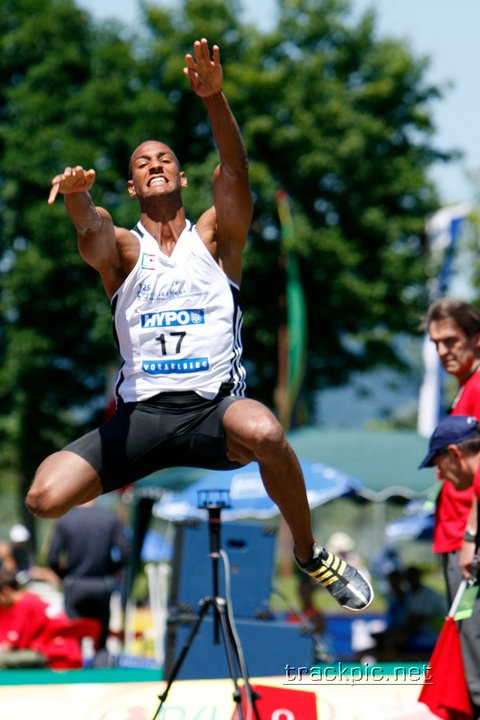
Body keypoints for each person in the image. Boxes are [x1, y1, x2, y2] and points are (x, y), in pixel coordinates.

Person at [25, 38, 372, 613]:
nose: (154, 164)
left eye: (164, 158)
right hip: (141, 417)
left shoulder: (215, 239)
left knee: (264, 430)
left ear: (182, 178)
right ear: (133, 187)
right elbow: (92, 231)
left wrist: (215, 99)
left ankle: (311, 554)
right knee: (42, 497)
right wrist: (79, 200)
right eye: (141, 163)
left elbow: (235, 169)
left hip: (212, 409)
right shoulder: (125, 251)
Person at [422, 298, 480, 715]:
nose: (444, 350)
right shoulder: (465, 387)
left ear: (476, 340)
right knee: (464, 648)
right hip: (455, 537)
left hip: (468, 541)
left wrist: (471, 536)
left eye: (452, 340)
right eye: (436, 343)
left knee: (474, 652)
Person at [47, 500, 129, 654]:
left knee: (73, 639)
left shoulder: (66, 520)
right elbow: (125, 553)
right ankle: (101, 669)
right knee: (101, 639)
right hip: (101, 583)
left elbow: (52, 557)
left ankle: (75, 671)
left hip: (75, 583)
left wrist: (65, 576)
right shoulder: (110, 518)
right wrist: (109, 571)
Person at [0, 569, 83, 669]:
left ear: (6, 591)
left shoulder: (24, 603)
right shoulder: (29, 598)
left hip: (56, 656)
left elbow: (9, 646)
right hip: (65, 654)